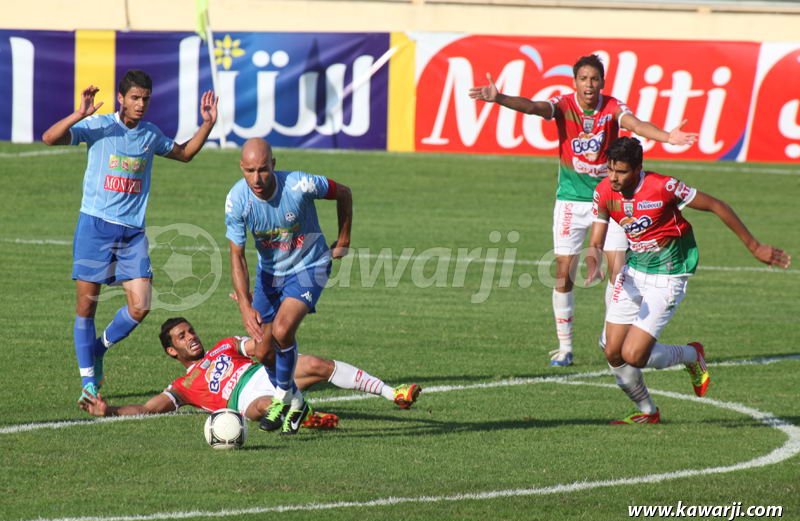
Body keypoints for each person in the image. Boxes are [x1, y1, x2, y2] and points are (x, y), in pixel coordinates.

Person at [469, 54, 698, 366]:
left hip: (611, 203)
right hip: (570, 202)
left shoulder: (613, 107)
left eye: (594, 79)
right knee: (564, 274)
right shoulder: (564, 105)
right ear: (574, 81)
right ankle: (565, 348)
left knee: (618, 274)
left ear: (602, 82)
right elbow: (535, 107)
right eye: (584, 79)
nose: (589, 84)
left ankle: (613, 340)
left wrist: (666, 137)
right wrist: (500, 99)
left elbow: (636, 125)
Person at [585, 137, 790, 423]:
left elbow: (717, 205)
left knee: (634, 355)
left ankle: (692, 355)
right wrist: (593, 259)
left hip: (669, 275)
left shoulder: (664, 186)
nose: (614, 178)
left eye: (621, 171)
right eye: (610, 170)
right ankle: (648, 412)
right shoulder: (604, 190)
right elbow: (597, 235)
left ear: (638, 168)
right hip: (633, 273)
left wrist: (755, 246)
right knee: (612, 351)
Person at [41, 70, 218, 400]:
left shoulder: (150, 135)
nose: (140, 104)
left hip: (132, 233)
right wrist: (80, 114)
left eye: (146, 99)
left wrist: (207, 123)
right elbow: (49, 138)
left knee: (141, 306)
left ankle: (97, 348)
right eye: (135, 98)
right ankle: (88, 383)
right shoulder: (100, 126)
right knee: (86, 308)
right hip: (95, 226)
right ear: (121, 98)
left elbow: (185, 153)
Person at [78, 317, 422, 433]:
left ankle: (395, 395)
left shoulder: (224, 346)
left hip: (267, 373)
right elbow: (150, 409)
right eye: (182, 337)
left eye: (191, 331)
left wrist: (261, 329)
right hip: (243, 401)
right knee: (260, 407)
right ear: (172, 351)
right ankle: (299, 412)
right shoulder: (182, 387)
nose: (191, 337)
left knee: (318, 364)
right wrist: (107, 411)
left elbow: (258, 349)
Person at [225, 138, 352, 433]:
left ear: (274, 165)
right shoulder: (237, 200)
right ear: (241, 168)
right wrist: (245, 305)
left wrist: (344, 238)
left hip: (311, 265)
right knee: (262, 351)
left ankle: (281, 396)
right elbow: (237, 256)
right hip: (269, 275)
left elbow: (343, 192)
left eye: (263, 170)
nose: (256, 179)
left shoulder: (300, 185)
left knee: (283, 330)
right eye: (249, 171)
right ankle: (295, 399)